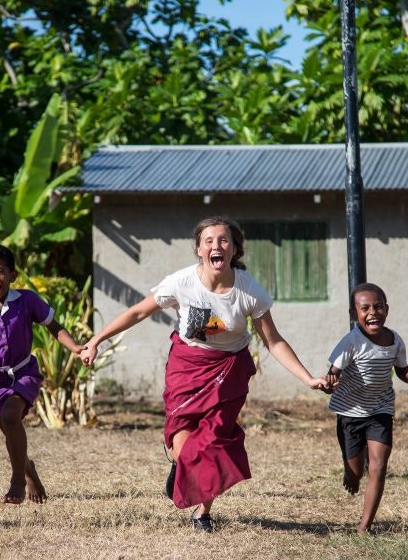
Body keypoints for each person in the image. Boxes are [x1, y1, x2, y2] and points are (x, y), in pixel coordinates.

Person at [79, 216, 327, 532]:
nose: (216, 246)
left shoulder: (250, 291)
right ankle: (180, 465)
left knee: (213, 443)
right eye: (208, 240)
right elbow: (138, 312)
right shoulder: (181, 283)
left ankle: (202, 513)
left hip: (229, 370)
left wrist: (307, 379)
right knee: (184, 449)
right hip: (187, 366)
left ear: (234, 249)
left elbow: (273, 341)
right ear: (199, 249)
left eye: (223, 240)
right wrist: (96, 340)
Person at [0, 245, 83, 505]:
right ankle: (28, 468)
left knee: (11, 416)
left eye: (0, 271)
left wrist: (75, 348)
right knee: (10, 431)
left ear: (13, 275)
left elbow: (54, 327)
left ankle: (17, 480)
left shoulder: (27, 300)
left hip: (23, 372)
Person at [326, 283, 408, 535]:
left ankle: (364, 526)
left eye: (378, 307)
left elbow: (403, 372)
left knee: (378, 466)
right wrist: (329, 384)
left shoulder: (395, 340)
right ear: (353, 314)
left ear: (387, 310)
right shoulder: (351, 342)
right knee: (356, 472)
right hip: (350, 412)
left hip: (380, 410)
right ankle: (350, 473)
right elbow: (332, 373)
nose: (373, 312)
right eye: (365, 308)